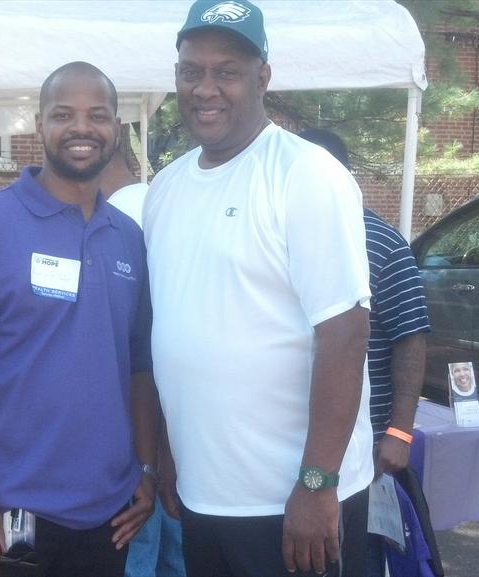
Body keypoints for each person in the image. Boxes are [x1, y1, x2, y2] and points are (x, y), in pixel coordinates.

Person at [143, 2, 374, 576]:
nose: (205, 89)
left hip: (293, 502)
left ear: (262, 77)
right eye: (191, 71)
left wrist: (317, 483)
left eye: (227, 72)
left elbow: (345, 334)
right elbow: (174, 333)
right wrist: (168, 454)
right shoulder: (165, 188)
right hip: (204, 494)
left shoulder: (307, 174)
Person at [0, 61, 158, 577]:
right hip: (4, 518)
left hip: (105, 521)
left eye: (97, 115)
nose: (81, 128)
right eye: (63, 114)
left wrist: (145, 467)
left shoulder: (128, 240)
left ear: (117, 128)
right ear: (38, 125)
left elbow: (139, 366)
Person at [299, 129, 431, 577]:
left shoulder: (382, 242)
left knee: (356, 556)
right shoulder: (283, 233)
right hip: (292, 442)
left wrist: (400, 430)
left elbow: (411, 337)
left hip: (364, 447)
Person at [100, 144, 187, 577]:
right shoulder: (160, 203)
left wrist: (151, 461)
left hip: (135, 450)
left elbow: (140, 350)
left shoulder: (117, 222)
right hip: (175, 444)